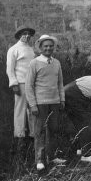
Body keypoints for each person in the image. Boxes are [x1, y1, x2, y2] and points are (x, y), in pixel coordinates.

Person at [25, 34, 64, 172]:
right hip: (40, 103)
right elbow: (28, 86)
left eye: (50, 46)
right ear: (40, 47)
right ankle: (39, 160)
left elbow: (60, 83)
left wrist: (62, 99)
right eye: (45, 46)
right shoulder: (34, 63)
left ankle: (52, 157)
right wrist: (33, 104)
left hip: (54, 102)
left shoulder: (57, 63)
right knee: (39, 131)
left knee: (54, 130)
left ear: (53, 47)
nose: (48, 48)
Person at [6, 25, 36, 152]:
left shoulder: (31, 49)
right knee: (20, 111)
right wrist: (14, 84)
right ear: (19, 35)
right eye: (24, 33)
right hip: (20, 84)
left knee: (33, 109)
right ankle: (20, 137)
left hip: (31, 84)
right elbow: (10, 68)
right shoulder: (13, 49)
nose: (27, 36)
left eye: (29, 34)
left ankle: (33, 136)